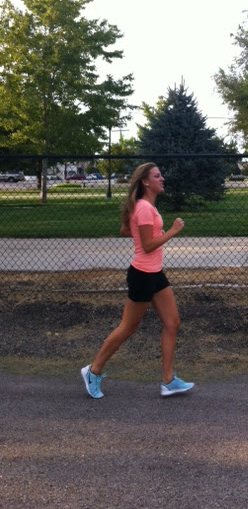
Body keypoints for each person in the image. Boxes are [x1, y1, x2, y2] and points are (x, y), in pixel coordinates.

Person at [81, 162, 194, 399]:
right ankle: (93, 371)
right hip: (142, 275)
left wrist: (142, 230)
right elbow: (148, 245)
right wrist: (172, 231)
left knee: (172, 323)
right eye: (157, 176)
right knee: (128, 327)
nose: (162, 179)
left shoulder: (145, 207)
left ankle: (168, 381)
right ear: (145, 182)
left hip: (155, 273)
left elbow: (125, 230)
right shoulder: (143, 208)